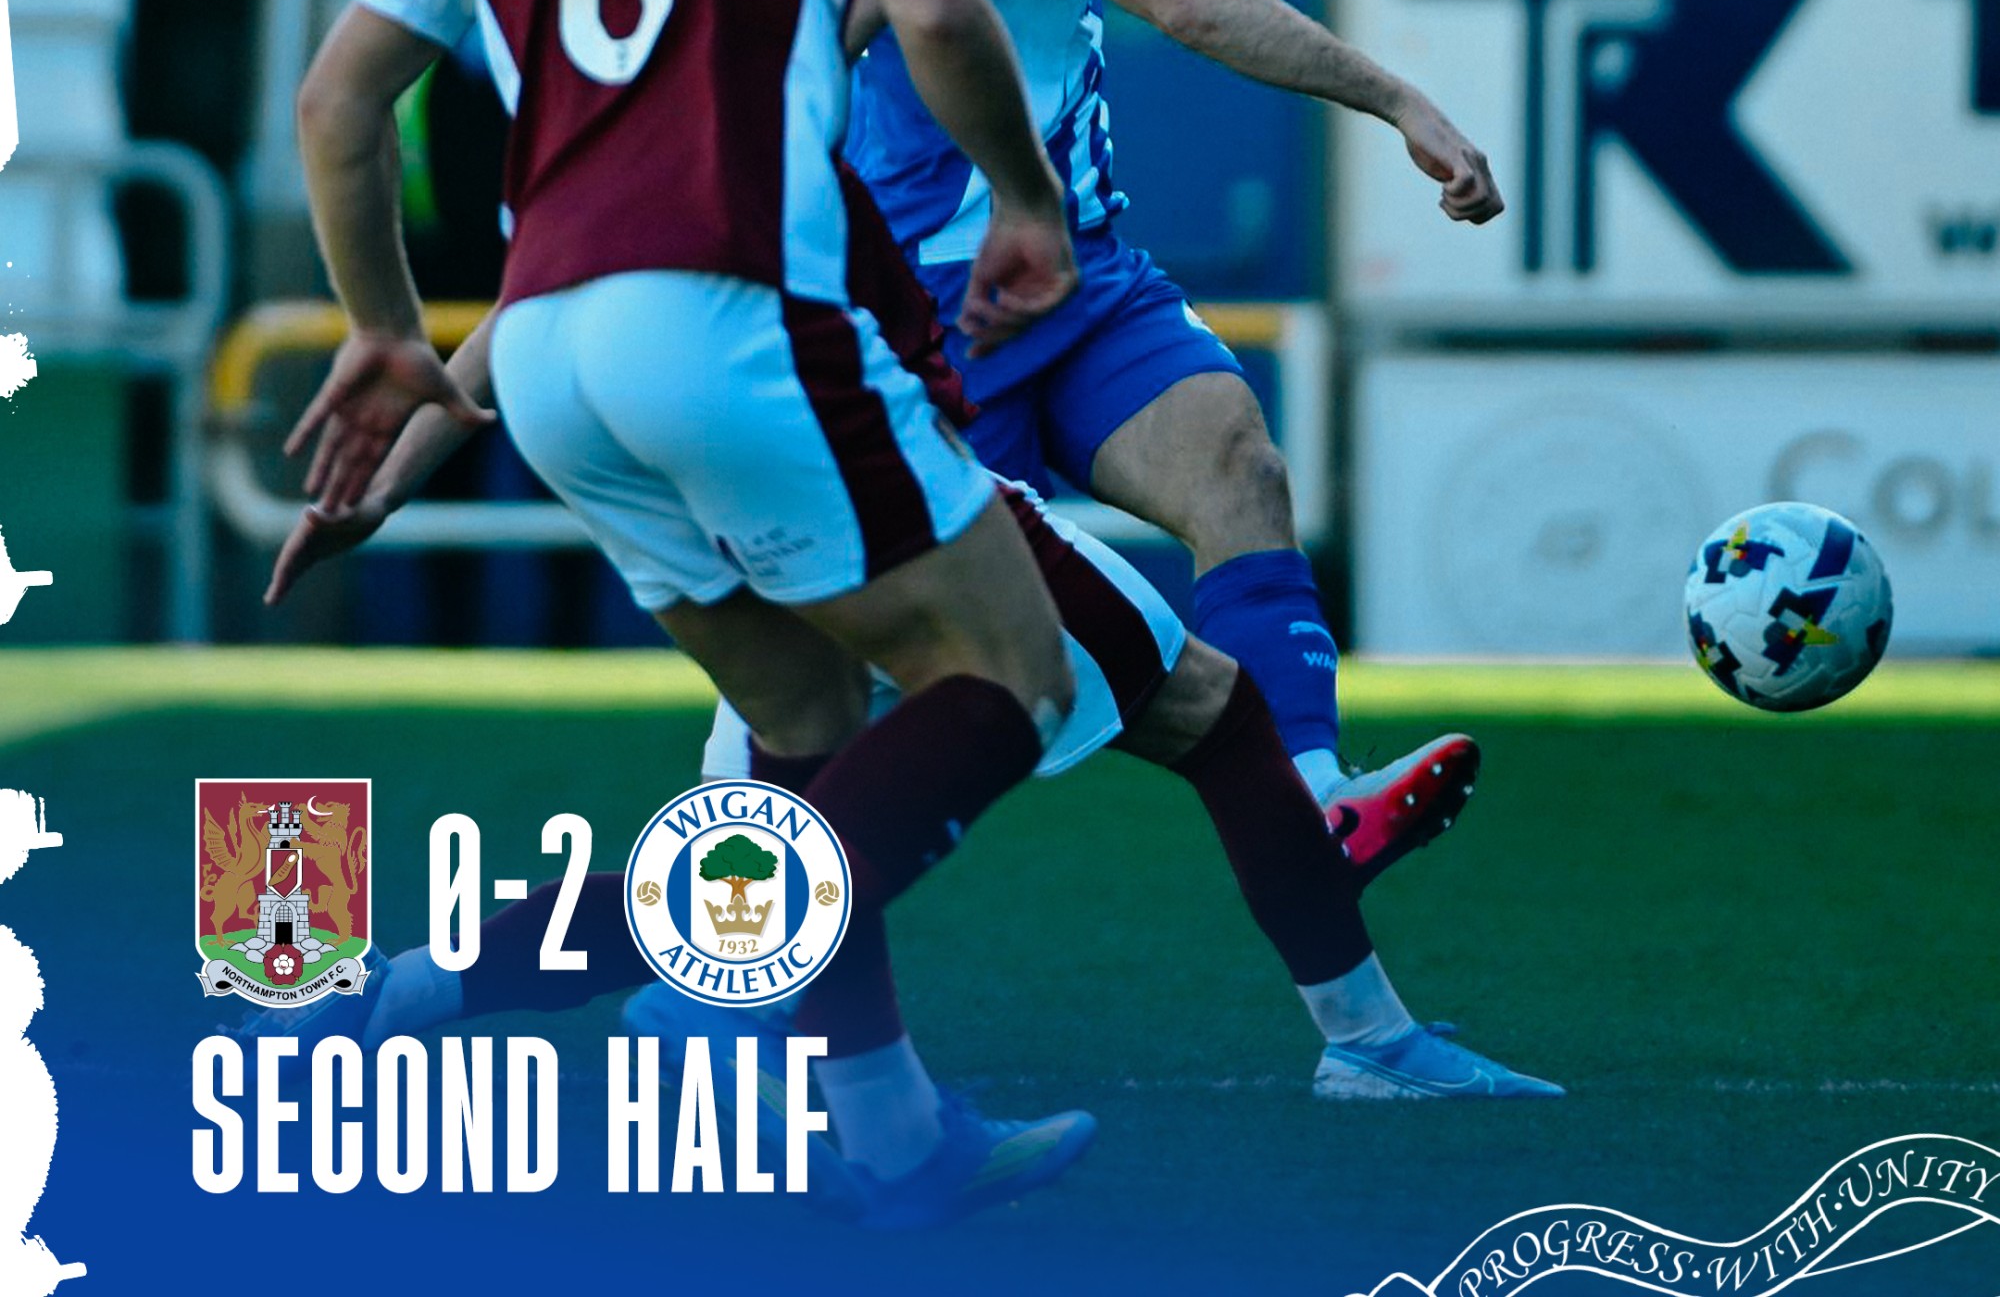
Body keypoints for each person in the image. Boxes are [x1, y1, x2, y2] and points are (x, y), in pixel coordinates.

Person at [284, 0, 1105, 1229]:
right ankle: (684, 988)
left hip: (549, 356)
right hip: (731, 314)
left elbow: (338, 100)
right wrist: (1027, 203)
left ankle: (868, 1135)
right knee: (1015, 680)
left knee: (804, 727)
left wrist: (384, 333)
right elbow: (932, 6)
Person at [263, 160, 1561, 1148]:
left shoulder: (617, 60)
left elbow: (515, 291)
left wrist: (387, 480)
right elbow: (927, 9)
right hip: (874, 470)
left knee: (746, 863)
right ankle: (1367, 1038)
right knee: (1207, 714)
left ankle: (392, 997)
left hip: (711, 490)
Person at [844, 0, 1501, 844]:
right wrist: (1394, 96)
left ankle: (1315, 807)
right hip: (945, 311)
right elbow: (1185, 0)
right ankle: (563, 949)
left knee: (1235, 465)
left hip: (1078, 277)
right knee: (913, 729)